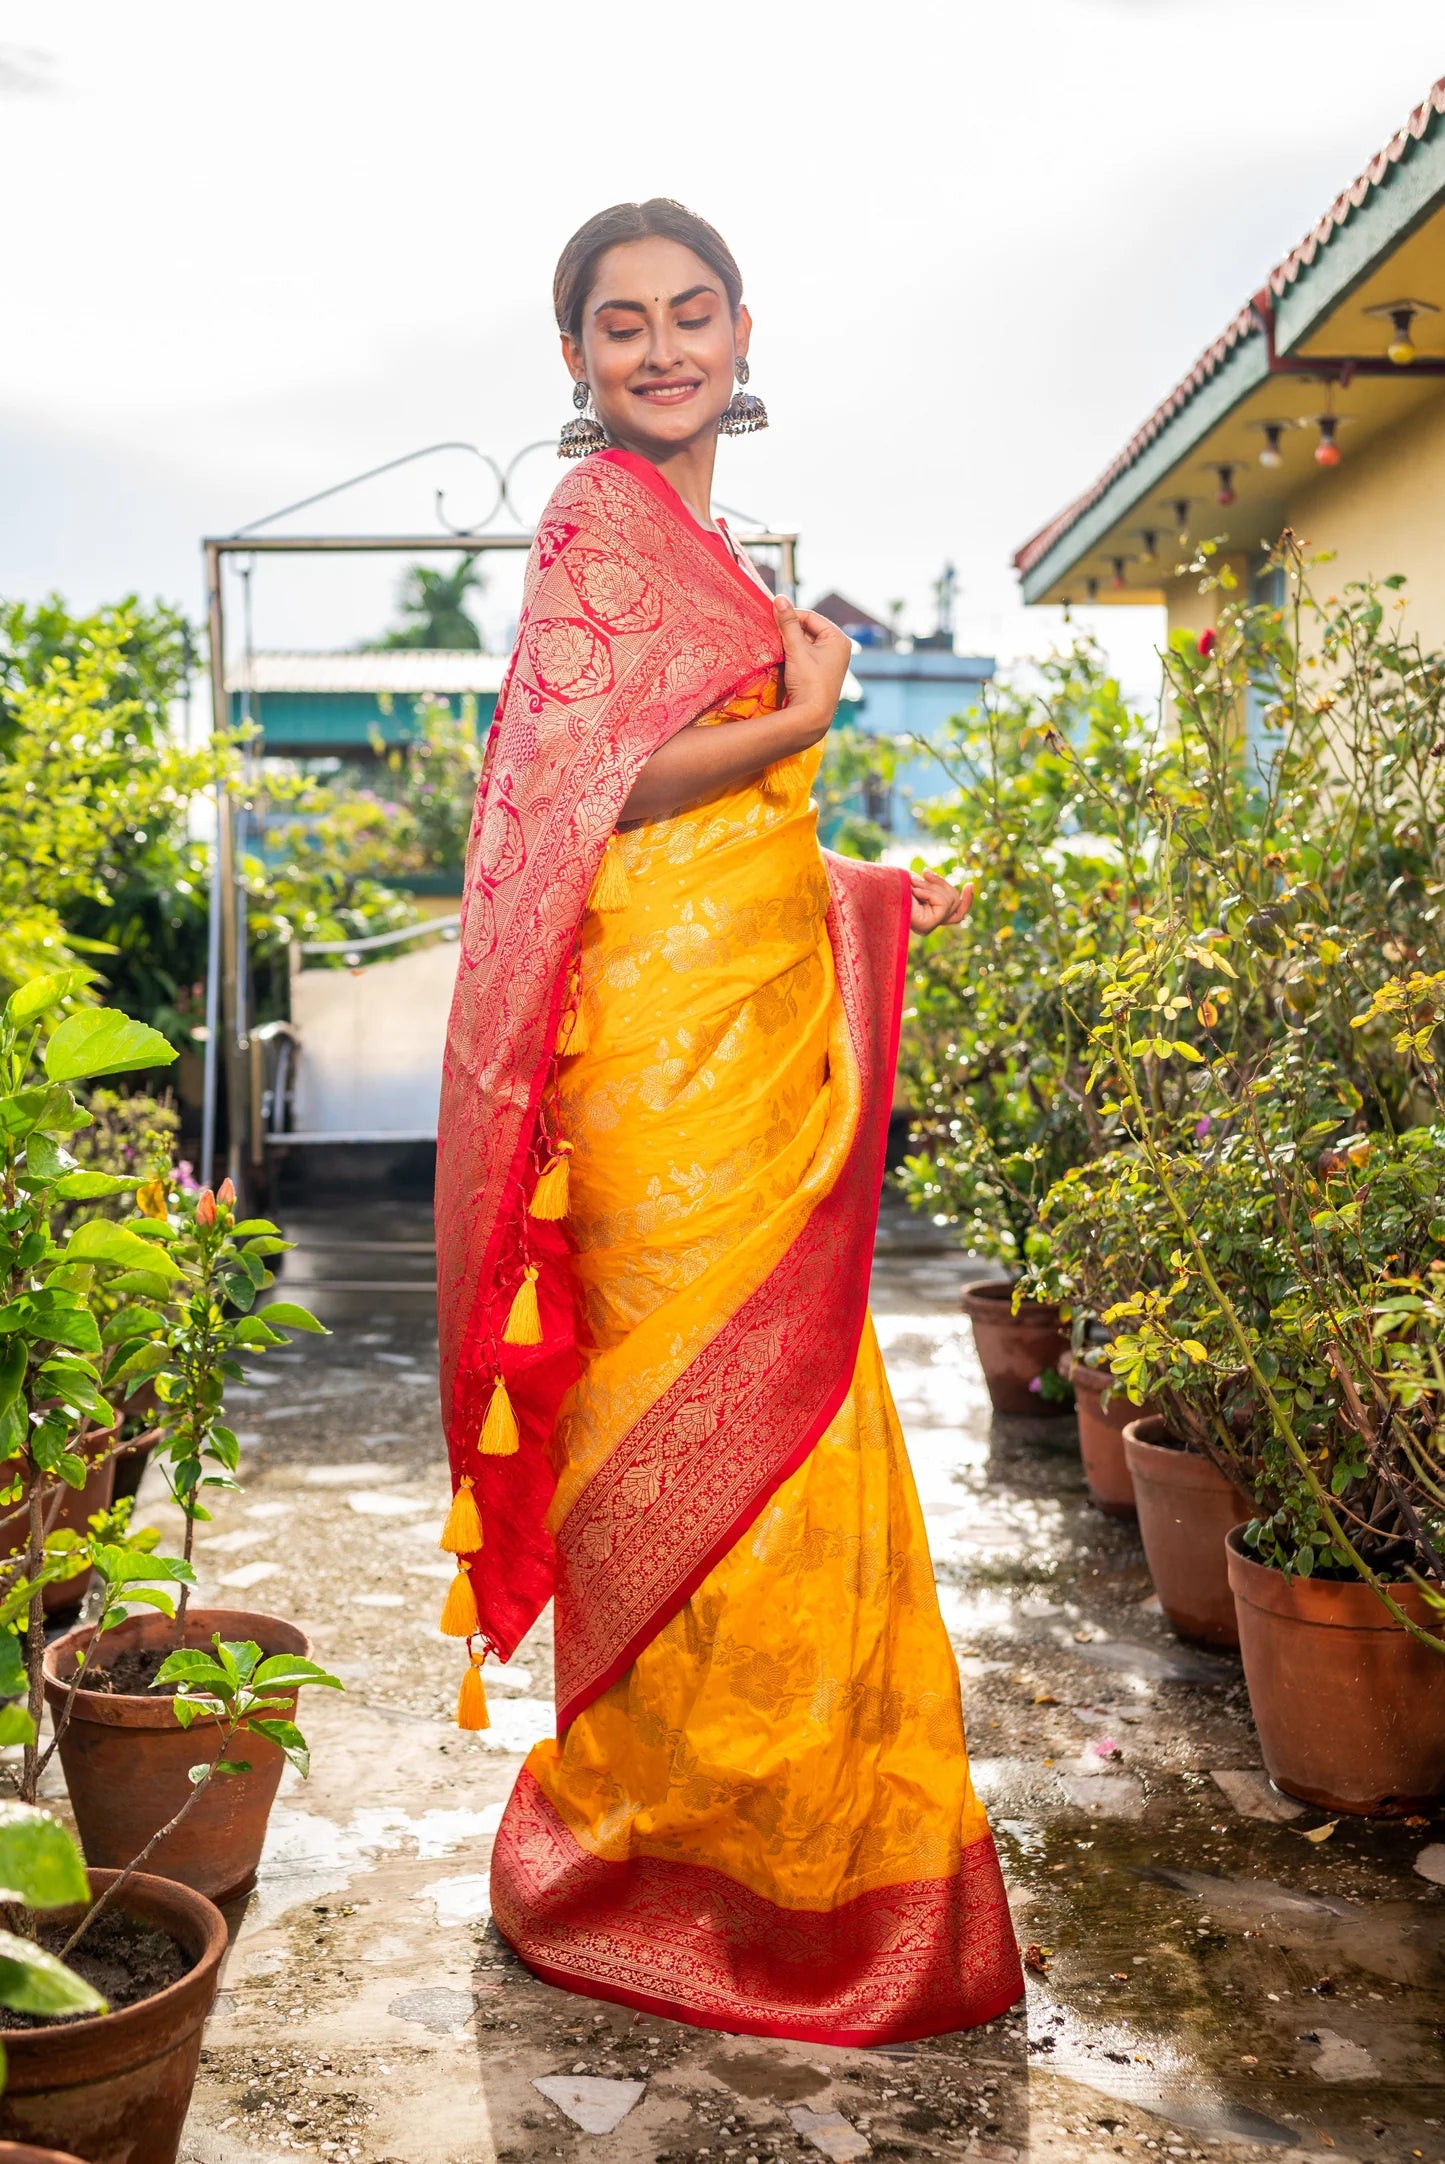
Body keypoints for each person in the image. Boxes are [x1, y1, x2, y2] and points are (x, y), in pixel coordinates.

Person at [433, 199, 1023, 2044]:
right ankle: (676, 1841)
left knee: (806, 1427)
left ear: (744, 332)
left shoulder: (695, 538)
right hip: (651, 1092)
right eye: (624, 325)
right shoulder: (596, 522)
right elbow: (595, 794)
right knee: (675, 1421)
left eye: (693, 315)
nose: (663, 348)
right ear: (575, 362)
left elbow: (696, 843)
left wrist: (849, 893)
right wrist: (799, 724)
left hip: (744, 1061)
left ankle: (802, 1836)